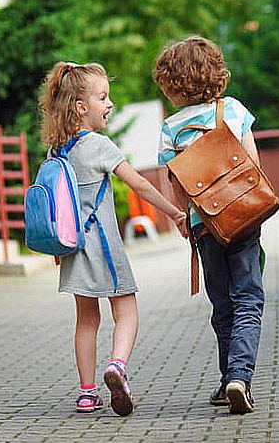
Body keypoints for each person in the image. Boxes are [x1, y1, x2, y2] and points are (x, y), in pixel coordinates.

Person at [39, 61, 188, 416]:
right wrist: (175, 213)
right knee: (127, 312)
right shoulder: (99, 146)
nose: (110, 104)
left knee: (86, 320)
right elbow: (139, 183)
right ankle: (117, 366)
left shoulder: (55, 152)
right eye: (103, 97)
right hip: (104, 247)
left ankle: (87, 393)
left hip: (73, 250)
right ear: (81, 107)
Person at [153, 35, 265, 415]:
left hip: (206, 226)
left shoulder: (171, 130)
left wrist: (184, 219)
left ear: (172, 84)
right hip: (243, 218)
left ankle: (225, 380)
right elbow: (252, 161)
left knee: (222, 304)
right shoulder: (231, 110)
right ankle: (239, 377)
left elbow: (176, 183)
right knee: (248, 297)